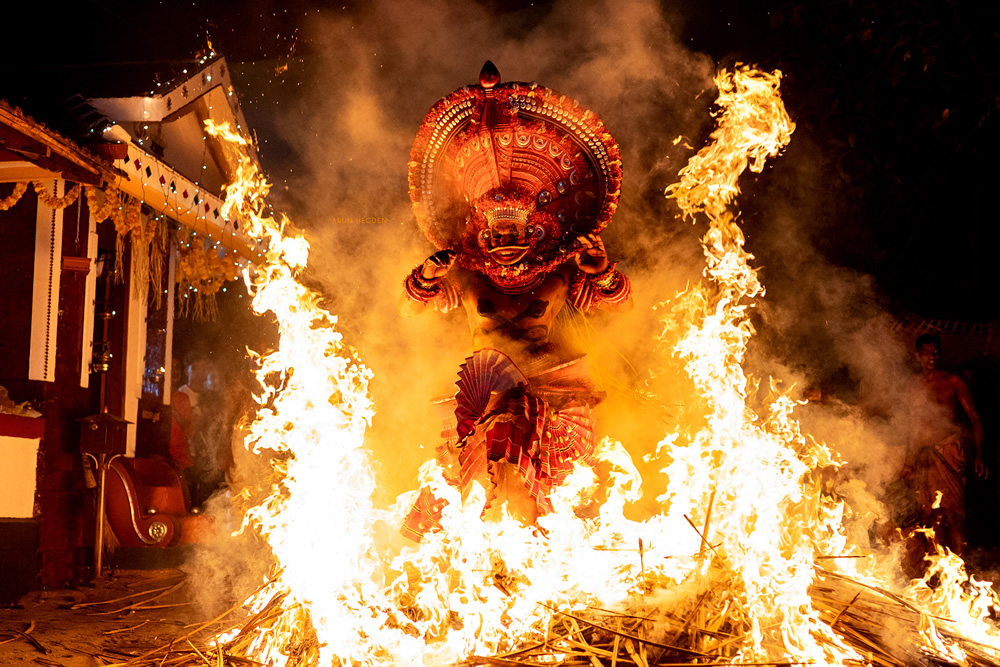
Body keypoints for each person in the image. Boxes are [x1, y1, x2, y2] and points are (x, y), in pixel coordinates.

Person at [399, 62, 631, 540]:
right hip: (484, 396)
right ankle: (472, 566)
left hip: (551, 392)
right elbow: (409, 310)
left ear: (534, 229)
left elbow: (621, 305)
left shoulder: (560, 273)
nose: (506, 236)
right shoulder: (465, 277)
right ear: (483, 232)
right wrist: (424, 277)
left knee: (561, 501)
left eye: (515, 228)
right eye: (497, 228)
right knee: (459, 492)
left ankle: (555, 560)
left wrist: (602, 274)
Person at [903, 333, 987, 555]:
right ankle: (937, 568)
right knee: (928, 514)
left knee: (953, 513)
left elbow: (975, 418)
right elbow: (914, 428)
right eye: (927, 352)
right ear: (918, 355)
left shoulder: (953, 381)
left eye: (935, 352)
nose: (932, 356)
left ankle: (959, 567)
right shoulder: (913, 387)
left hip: (948, 450)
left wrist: (980, 454)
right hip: (925, 454)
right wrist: (909, 463)